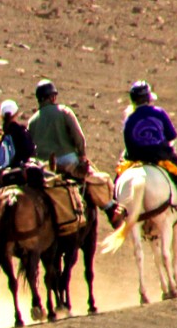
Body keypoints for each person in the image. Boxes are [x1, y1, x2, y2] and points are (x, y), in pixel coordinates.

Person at [24, 78, 117, 226]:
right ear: (53, 97)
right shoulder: (64, 111)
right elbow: (78, 137)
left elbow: (30, 147)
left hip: (45, 168)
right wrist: (82, 155)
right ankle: (110, 209)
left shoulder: (32, 121)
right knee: (94, 180)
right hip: (68, 162)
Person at [121, 80, 177, 222]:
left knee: (118, 180)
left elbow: (128, 143)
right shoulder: (159, 113)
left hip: (136, 158)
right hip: (160, 156)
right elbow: (172, 137)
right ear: (149, 98)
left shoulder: (130, 119)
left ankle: (116, 212)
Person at [0, 99, 34, 197]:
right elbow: (30, 153)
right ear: (17, 114)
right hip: (20, 177)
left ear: (0, 115)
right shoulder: (21, 132)